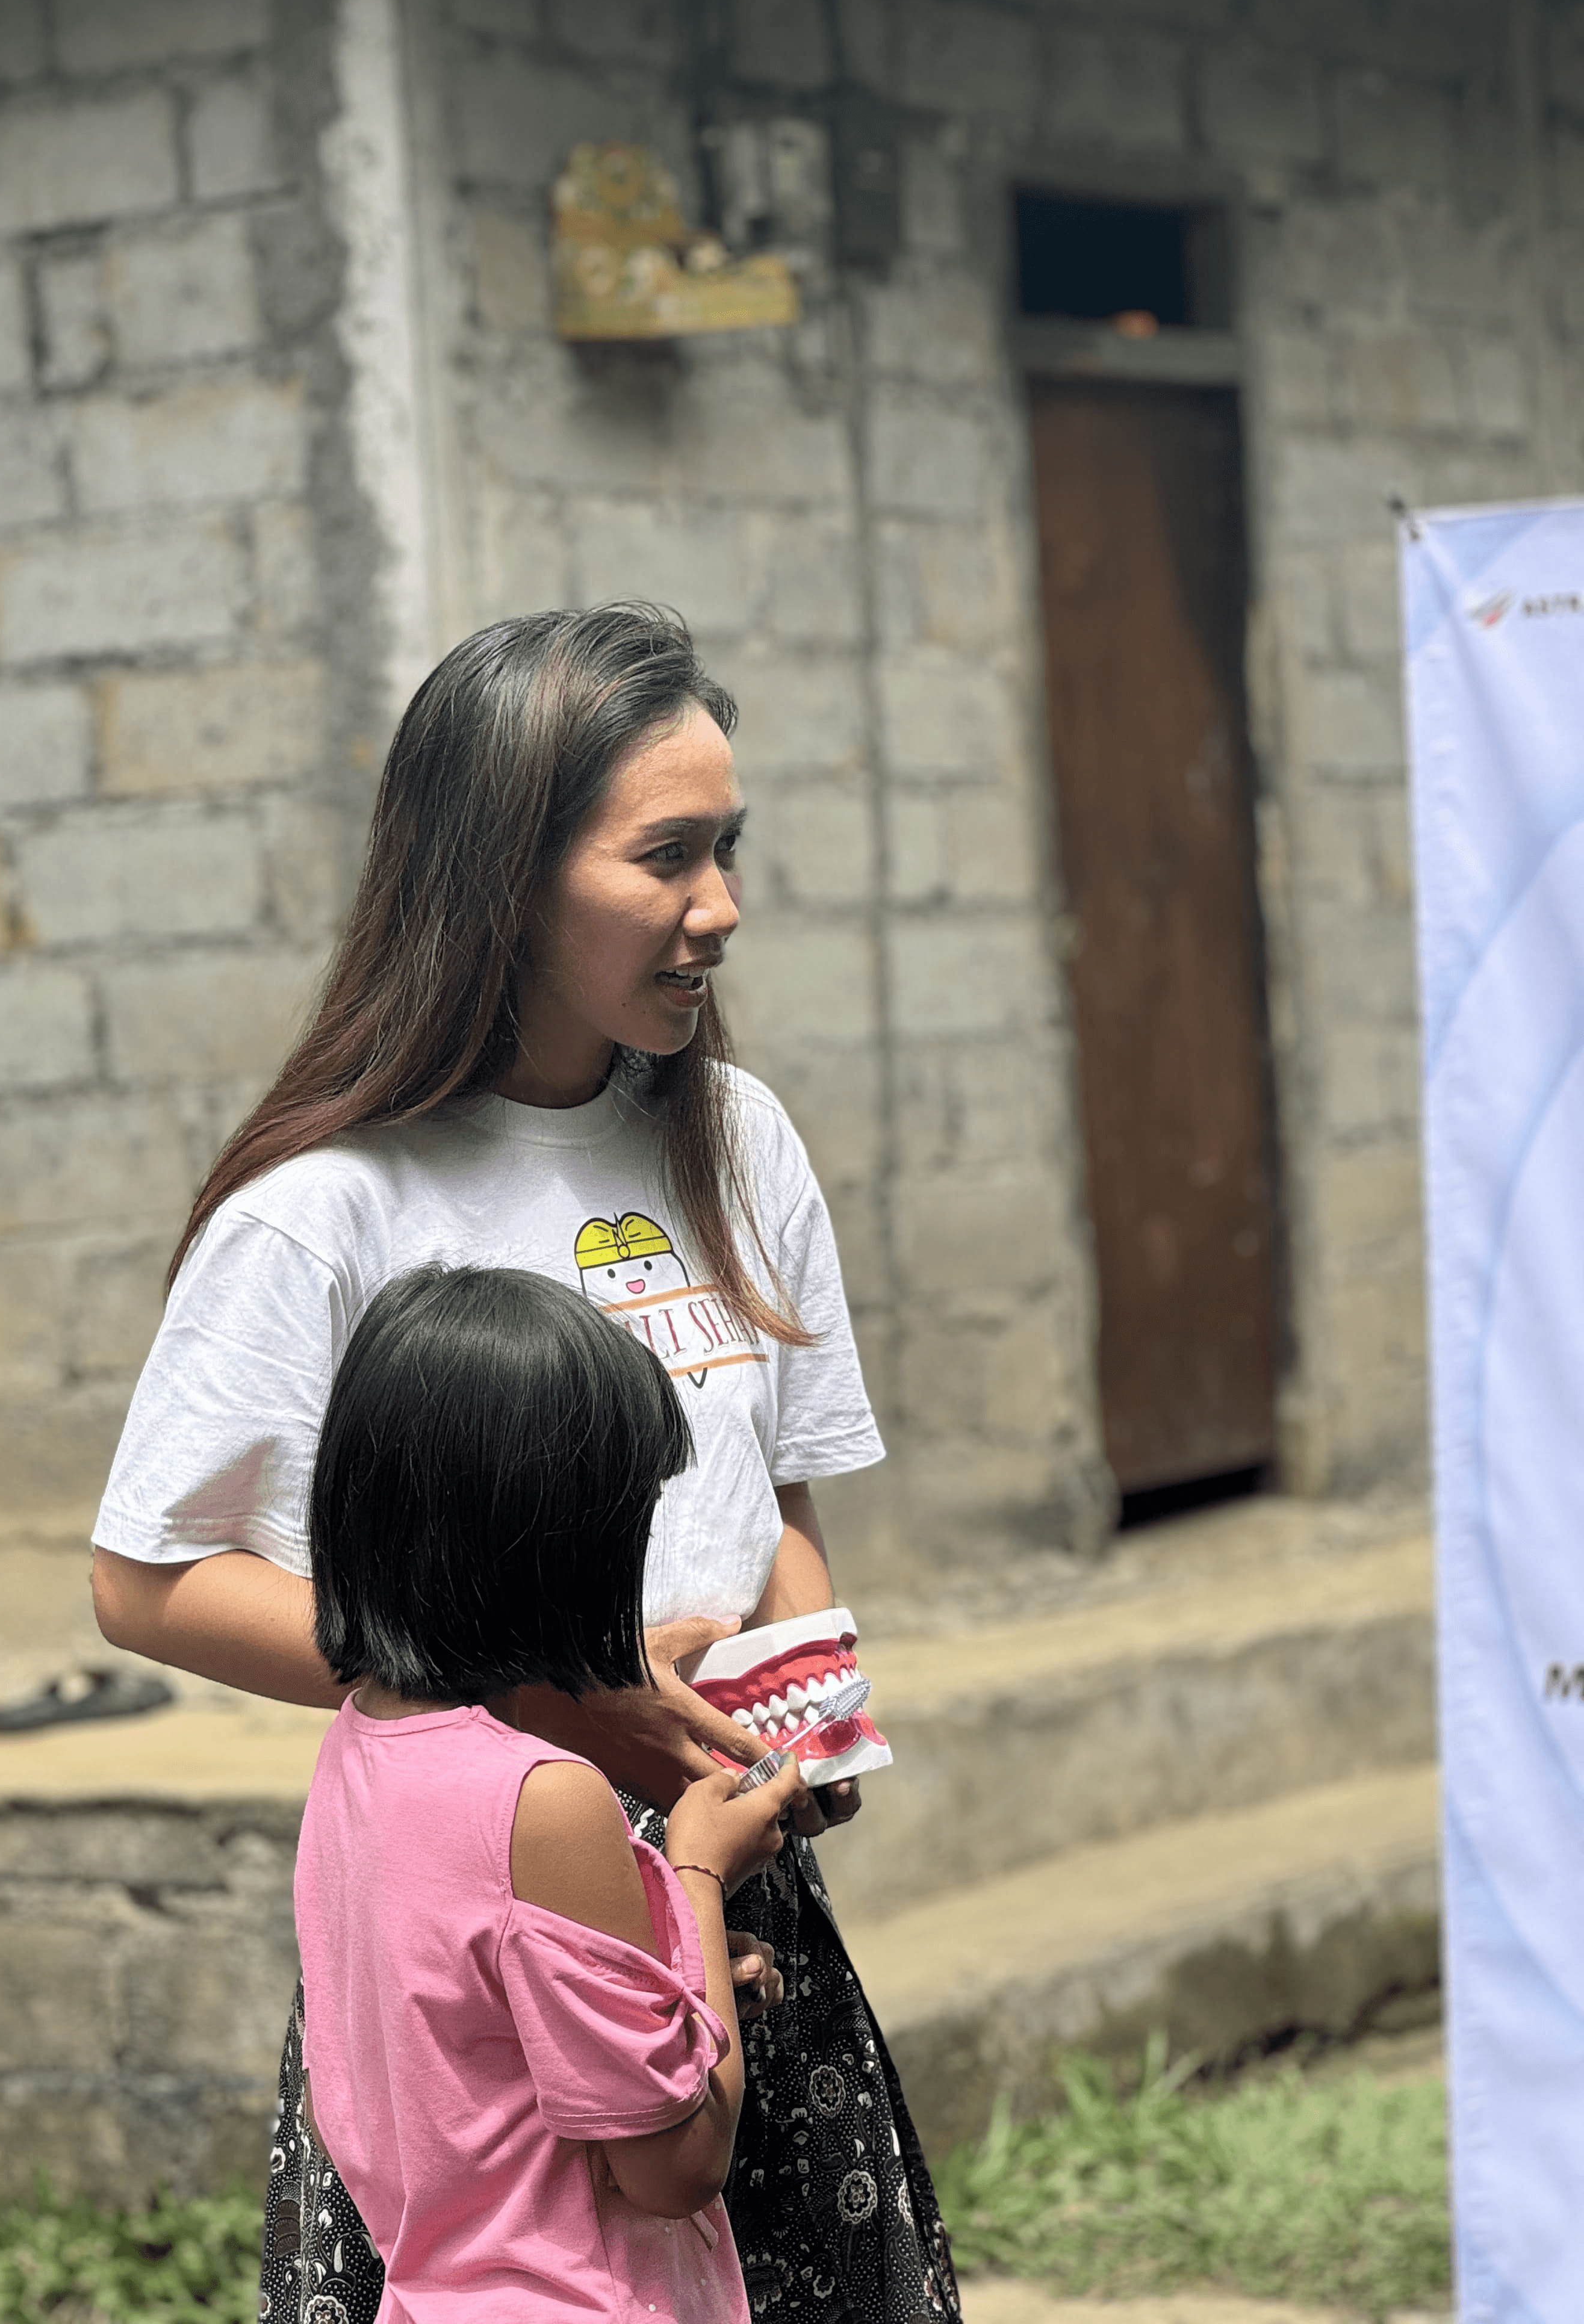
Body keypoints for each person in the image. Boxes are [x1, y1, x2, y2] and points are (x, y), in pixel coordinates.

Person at [91, 603, 963, 2323]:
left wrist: (802, 1699)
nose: (718, 907)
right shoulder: (330, 1210)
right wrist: (553, 1698)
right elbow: (150, 1582)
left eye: (730, 852)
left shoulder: (733, 1136)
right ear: (501, 875)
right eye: (666, 859)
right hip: (480, 1925)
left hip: (723, 1894)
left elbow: (771, 1496)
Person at [297, 1259, 807, 2322]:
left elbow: (480, 2042)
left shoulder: (360, 1753)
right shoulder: (544, 1797)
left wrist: (679, 1963)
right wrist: (698, 1869)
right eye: (624, 1524)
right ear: (549, 1547)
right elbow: (674, 2168)